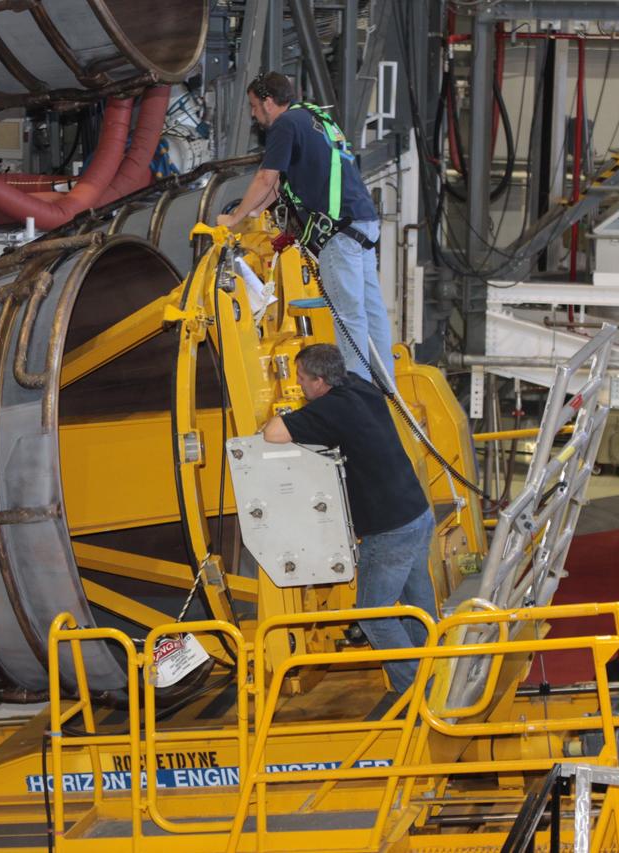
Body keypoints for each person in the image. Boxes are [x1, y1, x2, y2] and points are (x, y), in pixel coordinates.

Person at [261, 344, 435, 694]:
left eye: (302, 378)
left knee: (372, 615)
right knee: (419, 608)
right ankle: (438, 675)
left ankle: (419, 695)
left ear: (320, 381)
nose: (298, 384)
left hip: (389, 531)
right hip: (417, 514)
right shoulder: (358, 385)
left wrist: (291, 414)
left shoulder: (331, 410)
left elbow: (272, 433)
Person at [216, 71, 393, 386]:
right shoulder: (312, 116)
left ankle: (358, 391)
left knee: (348, 315)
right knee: (371, 309)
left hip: (339, 233)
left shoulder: (284, 125)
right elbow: (275, 189)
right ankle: (384, 384)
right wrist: (249, 214)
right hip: (363, 223)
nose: (254, 115)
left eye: (254, 106)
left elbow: (265, 178)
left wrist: (233, 219)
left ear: (268, 102)